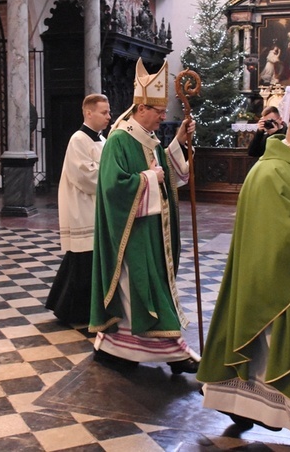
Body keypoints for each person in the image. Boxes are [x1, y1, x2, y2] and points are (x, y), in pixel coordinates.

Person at [197, 107, 290, 451]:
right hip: (279, 290)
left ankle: (253, 411)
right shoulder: (272, 174)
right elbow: (287, 238)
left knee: (269, 362)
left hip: (289, 282)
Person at [89, 58, 200, 375]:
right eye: (159, 112)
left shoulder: (146, 137)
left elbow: (166, 168)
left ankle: (116, 348)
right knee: (139, 288)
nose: (163, 117)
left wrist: (179, 139)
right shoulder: (119, 140)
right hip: (131, 234)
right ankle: (174, 352)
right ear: (141, 109)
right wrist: (149, 180)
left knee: (139, 292)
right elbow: (113, 188)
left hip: (150, 232)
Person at [46, 94, 110, 325]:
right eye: (104, 112)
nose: (108, 117)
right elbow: (85, 176)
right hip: (82, 209)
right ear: (88, 113)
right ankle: (70, 311)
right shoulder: (78, 139)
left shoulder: (102, 141)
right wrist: (112, 177)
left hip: (96, 208)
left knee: (84, 264)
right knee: (81, 263)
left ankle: (68, 307)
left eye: (108, 112)